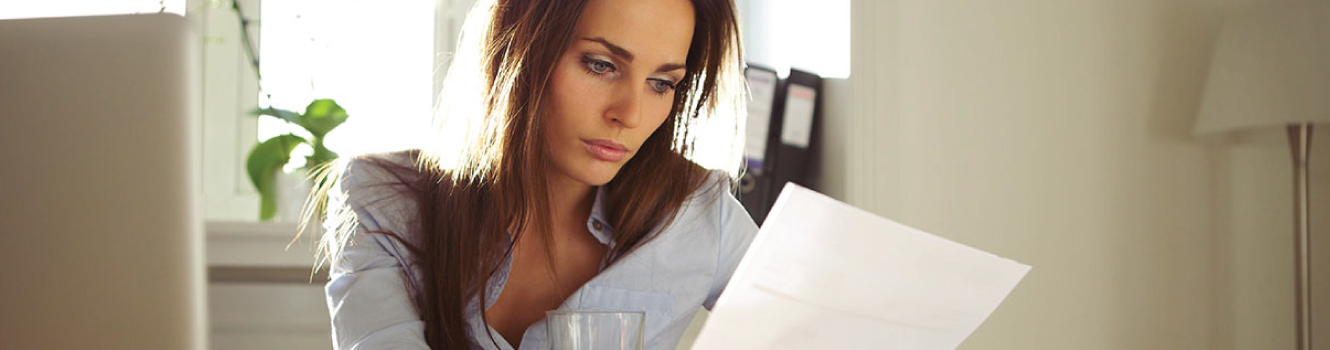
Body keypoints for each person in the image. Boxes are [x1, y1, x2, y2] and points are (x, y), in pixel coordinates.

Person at [310, 0, 754, 348]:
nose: (631, 114)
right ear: (517, 45)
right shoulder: (382, 200)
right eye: (600, 64)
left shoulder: (701, 215)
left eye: (662, 83)